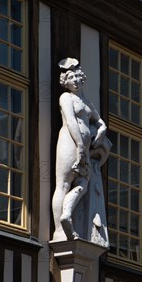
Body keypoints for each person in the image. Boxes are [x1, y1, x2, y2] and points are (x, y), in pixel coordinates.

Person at [52, 58, 110, 247]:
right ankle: (59, 231)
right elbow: (70, 122)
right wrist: (79, 146)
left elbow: (100, 122)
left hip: (83, 147)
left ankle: (67, 213)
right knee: (63, 184)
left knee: (83, 184)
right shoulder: (66, 98)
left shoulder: (85, 101)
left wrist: (100, 132)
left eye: (77, 76)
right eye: (71, 77)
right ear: (65, 82)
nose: (75, 80)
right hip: (70, 144)